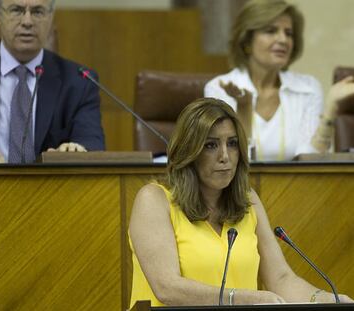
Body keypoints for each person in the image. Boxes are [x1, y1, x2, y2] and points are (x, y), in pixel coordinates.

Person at [128, 98, 353, 307]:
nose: (225, 155)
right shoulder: (154, 200)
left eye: (233, 143)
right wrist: (243, 298)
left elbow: (281, 279)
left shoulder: (247, 200)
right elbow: (167, 288)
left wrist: (324, 299)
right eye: (211, 145)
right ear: (189, 151)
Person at [0, 0, 105, 164]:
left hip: (49, 187)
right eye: (16, 10)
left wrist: (76, 151)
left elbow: (92, 142)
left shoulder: (79, 81)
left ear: (51, 16)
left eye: (38, 11)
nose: (27, 22)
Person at [204, 0, 354, 161]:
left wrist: (330, 108)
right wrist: (244, 108)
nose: (283, 40)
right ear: (247, 41)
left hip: (297, 185)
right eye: (271, 31)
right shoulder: (218, 89)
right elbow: (227, 161)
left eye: (288, 33)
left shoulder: (308, 88)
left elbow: (311, 162)